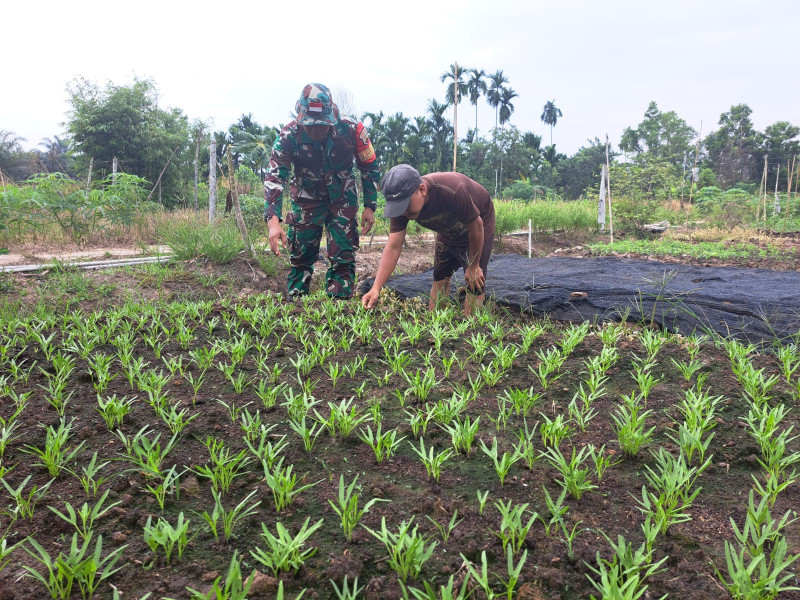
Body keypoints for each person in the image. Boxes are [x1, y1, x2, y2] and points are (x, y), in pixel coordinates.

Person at [264, 83, 381, 298]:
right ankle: (296, 308)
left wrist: (370, 207)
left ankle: (339, 308)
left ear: (331, 115)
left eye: (321, 125)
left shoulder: (352, 129)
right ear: (301, 117)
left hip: (343, 200)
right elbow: (275, 178)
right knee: (301, 256)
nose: (316, 130)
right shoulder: (289, 135)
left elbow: (369, 166)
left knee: (343, 257)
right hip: (306, 200)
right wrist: (273, 223)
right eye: (311, 125)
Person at [361, 164, 495, 316]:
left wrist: (474, 265)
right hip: (447, 229)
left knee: (474, 283)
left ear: (422, 190)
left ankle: (472, 327)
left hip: (478, 225)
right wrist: (376, 288)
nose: (402, 212)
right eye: (397, 207)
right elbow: (393, 247)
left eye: (405, 205)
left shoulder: (451, 190)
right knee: (440, 276)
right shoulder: (401, 208)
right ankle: (436, 323)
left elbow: (476, 227)